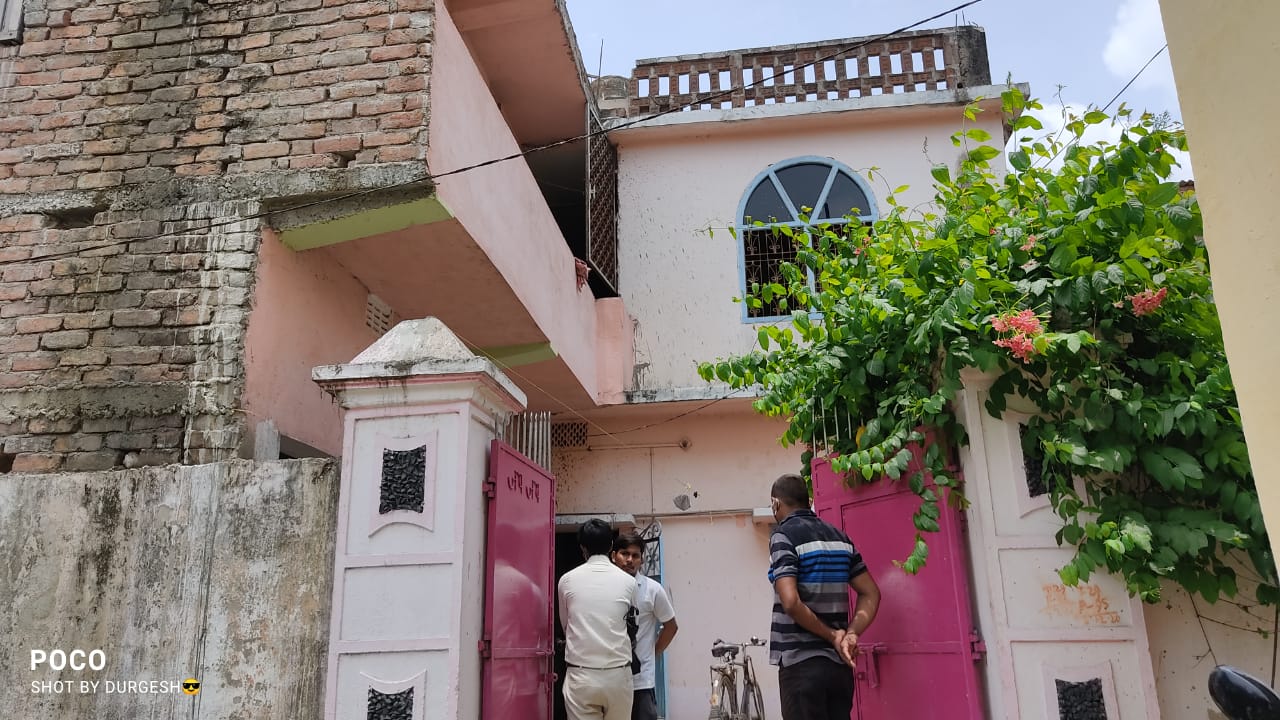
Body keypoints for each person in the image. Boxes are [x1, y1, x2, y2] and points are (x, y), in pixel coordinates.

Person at [767, 473, 881, 720]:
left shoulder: (783, 536)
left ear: (775, 503)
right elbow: (871, 592)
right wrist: (850, 634)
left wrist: (832, 636)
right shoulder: (839, 537)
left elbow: (790, 601)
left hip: (801, 668)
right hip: (838, 669)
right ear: (808, 501)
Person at [558, 519, 637, 720]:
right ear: (611, 546)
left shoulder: (566, 581)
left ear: (582, 548)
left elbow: (566, 626)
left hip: (581, 676)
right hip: (618, 676)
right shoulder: (629, 582)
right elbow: (629, 623)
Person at [611, 532, 679, 720]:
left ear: (642, 560)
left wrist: (653, 652)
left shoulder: (652, 589)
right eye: (625, 553)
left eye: (635, 555)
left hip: (640, 682)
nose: (629, 560)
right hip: (609, 680)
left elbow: (671, 626)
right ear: (614, 556)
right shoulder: (604, 589)